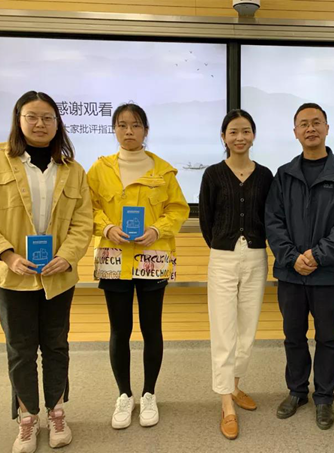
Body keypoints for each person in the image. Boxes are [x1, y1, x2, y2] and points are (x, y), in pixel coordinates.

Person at [0, 91, 93, 453]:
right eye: (32, 117)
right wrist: (7, 255)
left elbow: (83, 222)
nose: (40, 124)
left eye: (48, 117)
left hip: (58, 275)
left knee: (56, 345)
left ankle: (57, 412)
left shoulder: (72, 170)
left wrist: (67, 257)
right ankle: (27, 418)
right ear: (18, 120)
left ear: (58, 123)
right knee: (21, 349)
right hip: (10, 276)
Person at [87, 103, 189, 430]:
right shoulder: (99, 169)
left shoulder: (164, 171)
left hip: (152, 257)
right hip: (113, 258)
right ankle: (124, 394)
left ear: (146, 130)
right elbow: (87, 208)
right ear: (114, 130)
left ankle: (148, 394)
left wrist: (158, 229)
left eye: (135, 125)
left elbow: (178, 209)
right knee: (119, 330)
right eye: (122, 125)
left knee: (151, 328)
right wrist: (106, 227)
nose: (128, 131)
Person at [265, 102, 334, 430]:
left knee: (327, 336)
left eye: (316, 122)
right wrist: (293, 257)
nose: (311, 128)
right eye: (304, 123)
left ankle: (324, 397)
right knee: (293, 334)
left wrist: (317, 256)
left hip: (327, 274)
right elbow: (273, 222)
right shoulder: (284, 175)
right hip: (290, 274)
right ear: (295, 132)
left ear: (327, 128)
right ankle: (297, 391)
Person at [199, 109, 273, 440]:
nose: (239, 137)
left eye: (245, 131)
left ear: (253, 135)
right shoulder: (213, 174)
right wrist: (223, 244)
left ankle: (235, 384)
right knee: (224, 330)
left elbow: (269, 216)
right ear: (223, 137)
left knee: (247, 329)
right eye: (233, 132)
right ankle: (226, 403)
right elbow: (206, 220)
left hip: (256, 256)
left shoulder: (266, 175)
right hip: (223, 258)